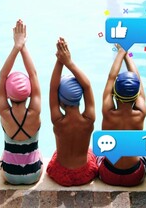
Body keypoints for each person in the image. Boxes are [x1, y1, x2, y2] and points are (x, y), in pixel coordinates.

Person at [46, 37, 98, 186]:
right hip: (85, 174)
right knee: (91, 151)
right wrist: (69, 62)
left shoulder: (58, 121)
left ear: (60, 101)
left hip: (61, 174)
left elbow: (53, 88)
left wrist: (59, 61)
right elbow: (87, 86)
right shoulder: (89, 119)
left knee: (57, 155)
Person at [0, 19, 43, 185]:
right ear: (30, 93)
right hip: (34, 174)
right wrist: (23, 46)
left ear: (7, 95)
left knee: (4, 155)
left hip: (10, 174)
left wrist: (16, 46)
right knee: (39, 153)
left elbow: (3, 74)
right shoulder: (35, 112)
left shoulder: (3, 112)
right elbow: (33, 74)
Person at [97, 43, 146, 187]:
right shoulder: (141, 113)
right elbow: (137, 79)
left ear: (114, 92)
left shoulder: (108, 113)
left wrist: (121, 52)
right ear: (137, 95)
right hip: (134, 176)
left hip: (108, 174)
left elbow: (111, 77)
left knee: (96, 150)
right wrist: (127, 54)